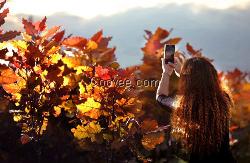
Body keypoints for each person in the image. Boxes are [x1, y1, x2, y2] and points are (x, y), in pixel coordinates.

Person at [156, 55, 237, 163]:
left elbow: (160, 97)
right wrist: (184, 73)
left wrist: (166, 72)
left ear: (187, 80)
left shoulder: (184, 106)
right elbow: (204, 84)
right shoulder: (224, 100)